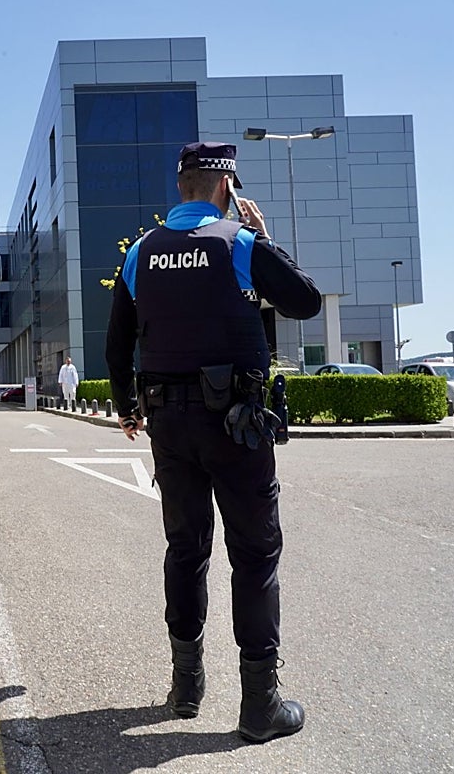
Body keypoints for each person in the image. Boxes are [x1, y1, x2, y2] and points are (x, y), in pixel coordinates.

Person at [104, 142, 322, 743]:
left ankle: (186, 687)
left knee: (185, 548)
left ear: (181, 188)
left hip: (169, 426)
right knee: (254, 554)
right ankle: (259, 707)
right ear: (227, 187)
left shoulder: (141, 253)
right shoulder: (241, 245)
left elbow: (118, 343)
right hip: (237, 425)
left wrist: (127, 410)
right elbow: (304, 301)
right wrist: (264, 236)